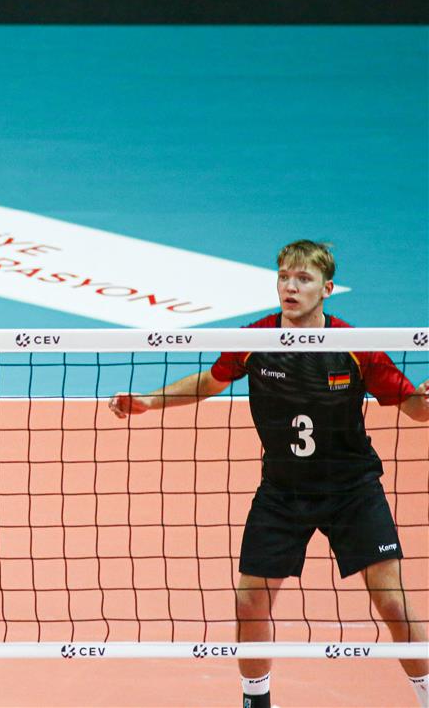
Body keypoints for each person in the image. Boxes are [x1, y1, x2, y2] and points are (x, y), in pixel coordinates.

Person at [108, 240, 429, 708]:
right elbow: (210, 381)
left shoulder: (354, 346)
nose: (290, 287)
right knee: (249, 600)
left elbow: (414, 408)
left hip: (352, 489)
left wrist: (427, 400)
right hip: (283, 490)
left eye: (303, 279)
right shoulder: (256, 339)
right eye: (284, 277)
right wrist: (149, 401)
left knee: (393, 602)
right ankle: (256, 701)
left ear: (327, 289)